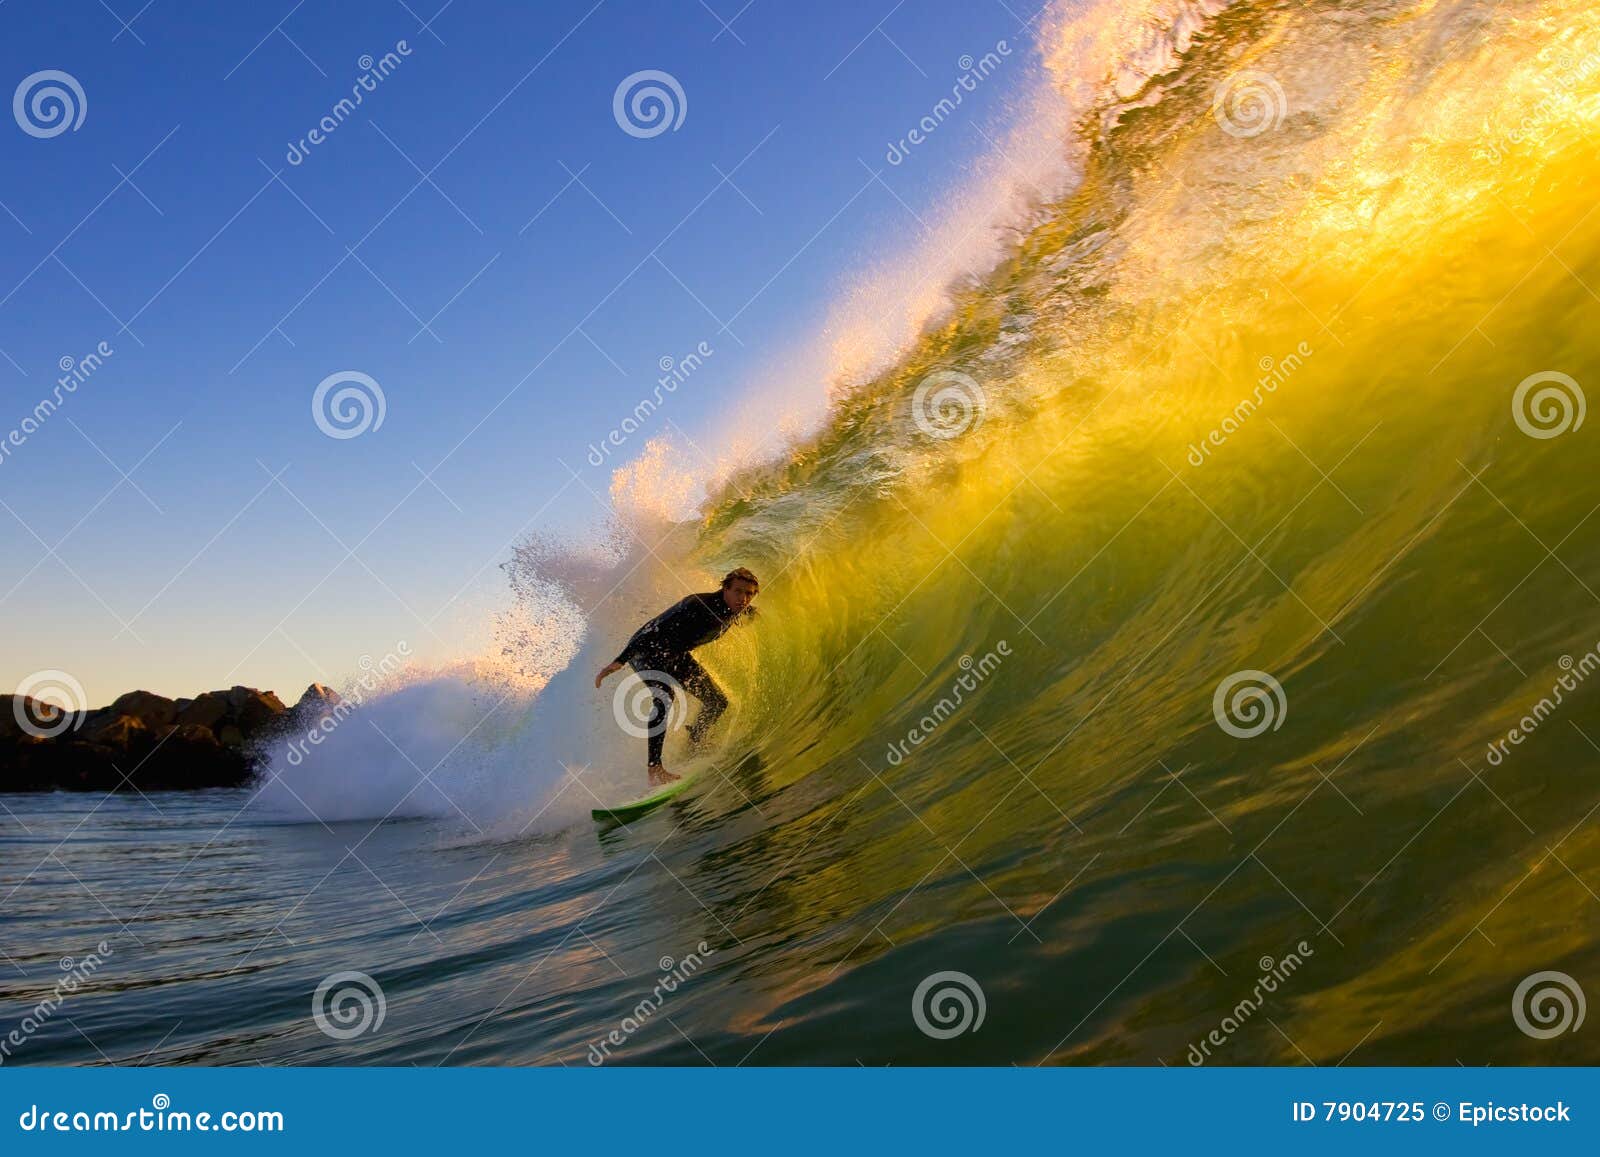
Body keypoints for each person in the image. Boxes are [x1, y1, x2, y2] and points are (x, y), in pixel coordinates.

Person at [594, 568, 759, 785]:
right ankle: (654, 769)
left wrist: (753, 612)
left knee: (717, 701)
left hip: (676, 655)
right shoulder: (698, 605)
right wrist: (620, 660)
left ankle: (695, 740)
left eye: (749, 593)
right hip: (647, 651)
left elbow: (746, 608)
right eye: (738, 592)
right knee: (664, 696)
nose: (744, 598)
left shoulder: (736, 607)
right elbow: (649, 629)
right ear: (725, 588)